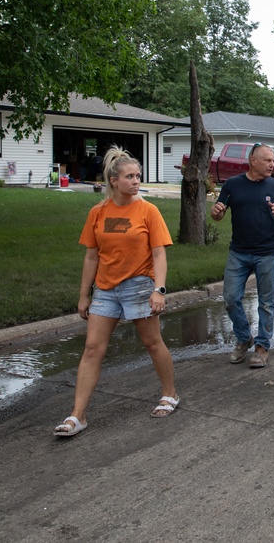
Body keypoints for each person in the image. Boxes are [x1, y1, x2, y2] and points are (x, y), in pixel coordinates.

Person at [54, 146, 177, 437]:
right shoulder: (98, 212)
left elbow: (159, 255)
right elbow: (91, 257)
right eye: (129, 176)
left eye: (138, 176)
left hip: (139, 286)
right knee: (93, 349)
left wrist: (159, 290)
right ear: (114, 181)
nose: (136, 181)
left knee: (152, 343)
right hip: (106, 289)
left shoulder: (148, 211)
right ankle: (77, 416)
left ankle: (170, 393)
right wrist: (84, 294)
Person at [211, 144, 274, 369]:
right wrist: (216, 212)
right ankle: (244, 337)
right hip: (239, 252)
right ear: (253, 160)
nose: (272, 164)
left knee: (266, 303)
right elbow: (218, 213)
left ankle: (262, 347)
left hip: (267, 252)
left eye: (273, 160)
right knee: (230, 298)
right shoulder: (232, 184)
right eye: (267, 160)